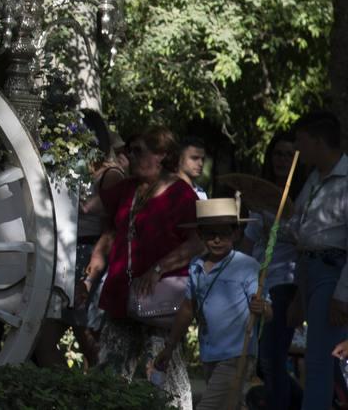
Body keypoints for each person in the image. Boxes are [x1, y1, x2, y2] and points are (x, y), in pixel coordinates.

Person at [85, 125, 201, 410]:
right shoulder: (126, 188)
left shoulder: (181, 194)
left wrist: (157, 270)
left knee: (165, 378)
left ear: (161, 155)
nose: (130, 157)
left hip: (158, 300)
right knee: (108, 378)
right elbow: (95, 217)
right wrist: (87, 280)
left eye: (137, 151)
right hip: (121, 296)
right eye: (127, 151)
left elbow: (198, 243)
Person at [152, 198, 269, 410]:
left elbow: (266, 307)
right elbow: (188, 308)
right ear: (200, 235)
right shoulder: (196, 265)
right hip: (210, 353)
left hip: (237, 354)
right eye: (210, 234)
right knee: (231, 405)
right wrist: (169, 347)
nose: (217, 240)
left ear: (236, 233)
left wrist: (262, 308)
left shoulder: (247, 265)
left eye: (224, 233)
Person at [286, 110, 348, 410]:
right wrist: (299, 293)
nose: (297, 149)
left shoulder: (346, 179)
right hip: (309, 269)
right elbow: (302, 234)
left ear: (319, 141)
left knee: (319, 359)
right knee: (323, 358)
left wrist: (342, 295)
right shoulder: (313, 177)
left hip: (332, 271)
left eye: (301, 141)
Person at [241, 131, 303, 410]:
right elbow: (248, 240)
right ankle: (296, 399)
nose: (282, 159)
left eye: (289, 154)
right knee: (259, 358)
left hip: (286, 284)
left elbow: (308, 243)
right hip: (257, 281)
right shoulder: (261, 195)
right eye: (278, 153)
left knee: (271, 356)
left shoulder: (305, 198)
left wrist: (285, 227)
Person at [75, 126, 131, 366]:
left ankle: (103, 373)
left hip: (95, 248)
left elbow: (110, 219)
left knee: (87, 321)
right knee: (77, 320)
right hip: (76, 248)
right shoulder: (81, 170)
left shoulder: (111, 175)